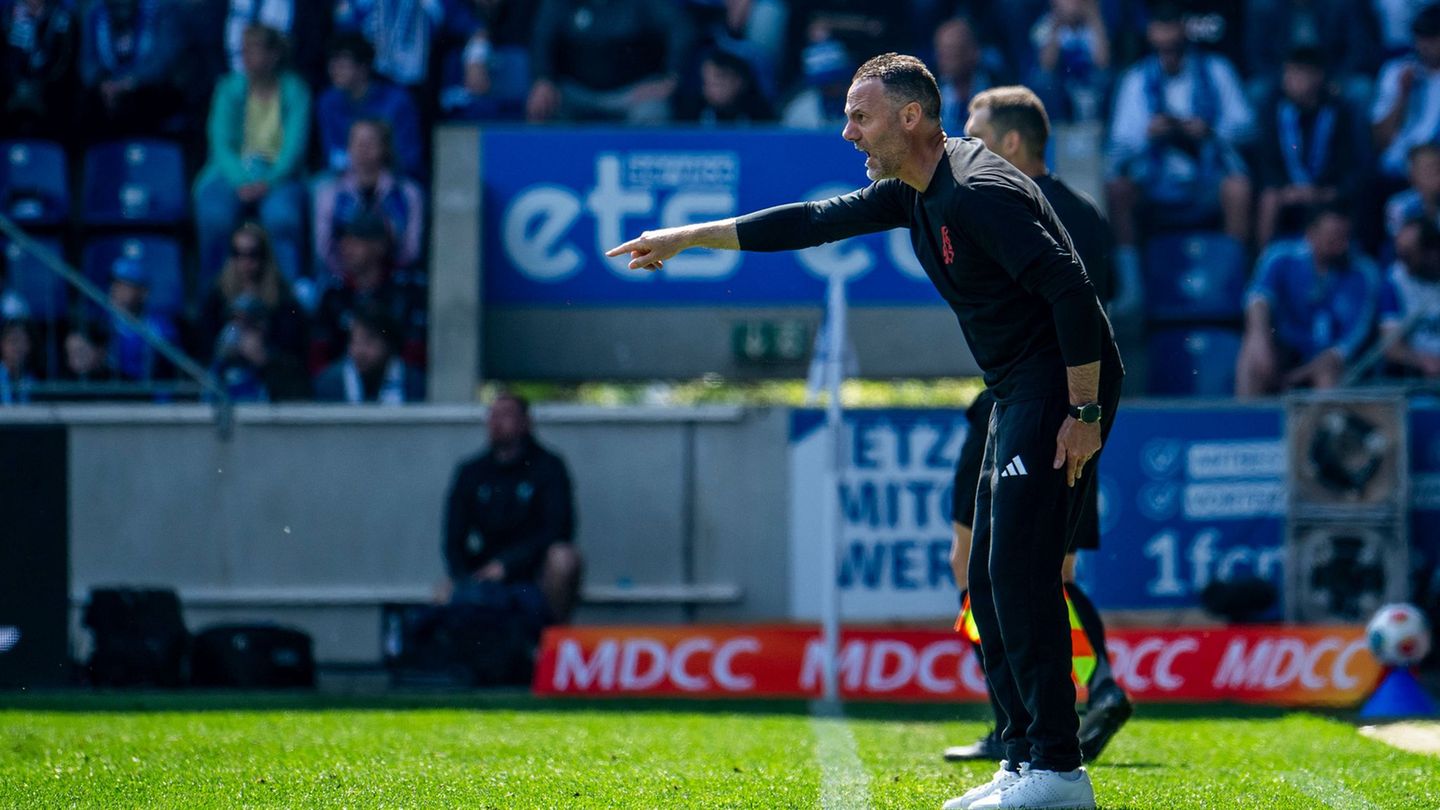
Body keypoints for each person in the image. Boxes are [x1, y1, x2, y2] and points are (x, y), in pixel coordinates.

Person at [607, 53, 1122, 810]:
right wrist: (690, 235)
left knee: (1019, 574)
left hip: (1058, 385)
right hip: (1018, 387)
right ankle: (1022, 761)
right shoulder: (916, 187)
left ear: (910, 118)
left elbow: (1074, 296)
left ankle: (1058, 770)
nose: (847, 131)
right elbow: (813, 222)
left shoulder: (977, 191)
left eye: (860, 115)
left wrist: (1083, 415)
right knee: (986, 579)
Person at [946, 85, 1129, 767]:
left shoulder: (1004, 202)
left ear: (1011, 142)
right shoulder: (1085, 217)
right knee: (1042, 568)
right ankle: (1062, 703)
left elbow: (1067, 316)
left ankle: (1028, 718)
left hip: (1034, 408)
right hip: (1065, 406)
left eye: (973, 128)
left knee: (986, 564)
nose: (960, 141)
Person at [1106, 3, 1254, 277]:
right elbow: (1119, 144)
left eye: (1173, 49)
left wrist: (1209, 130)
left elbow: (1245, 126)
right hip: (1155, 179)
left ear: (1184, 34)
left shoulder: (1217, 70)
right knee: (1118, 189)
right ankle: (1131, 285)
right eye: (1163, 50)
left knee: (1238, 187)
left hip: (1207, 179)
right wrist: (1148, 133)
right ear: (1152, 38)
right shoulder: (1135, 79)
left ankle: (1234, 279)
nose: (1169, 56)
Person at [442, 391, 583, 622]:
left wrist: (508, 565)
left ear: (525, 422)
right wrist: (464, 576)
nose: (497, 422)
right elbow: (453, 536)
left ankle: (550, 638)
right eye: (492, 415)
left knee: (564, 558)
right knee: (442, 595)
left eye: (506, 415)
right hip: (485, 565)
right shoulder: (472, 471)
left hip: (533, 566)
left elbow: (559, 528)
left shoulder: (548, 467)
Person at [193, 24, 311, 285]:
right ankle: (213, 294)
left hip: (278, 175)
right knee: (215, 217)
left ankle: (286, 297)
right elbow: (220, 143)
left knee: (282, 219)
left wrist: (267, 181)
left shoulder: (295, 90)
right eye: (244, 51)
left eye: (254, 51)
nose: (246, 58)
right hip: (232, 172)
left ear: (273, 55)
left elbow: (294, 147)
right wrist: (242, 180)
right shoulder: (228, 88)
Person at [1236, 206, 1383, 396]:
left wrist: (1295, 377)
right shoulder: (1280, 256)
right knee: (1251, 353)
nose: (1342, 245)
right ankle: (1248, 419)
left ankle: (1323, 425)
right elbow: (1258, 299)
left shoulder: (1364, 273)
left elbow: (1350, 341)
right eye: (1333, 237)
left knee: (1327, 373)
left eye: (1346, 237)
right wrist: (1258, 336)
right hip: (1286, 351)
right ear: (1311, 234)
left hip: (1330, 360)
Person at [1256, 47, 1366, 247]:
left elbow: (1353, 163)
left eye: (1297, 73)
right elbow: (1267, 160)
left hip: (1327, 190)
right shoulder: (1274, 110)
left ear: (1317, 76)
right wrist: (1286, 188)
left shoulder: (1340, 112)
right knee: (1269, 198)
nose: (1288, 80)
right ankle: (1262, 262)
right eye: (1287, 73)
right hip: (1289, 191)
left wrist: (1326, 191)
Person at [526, 0, 693, 124]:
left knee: (653, 113)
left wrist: (672, 77)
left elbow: (682, 28)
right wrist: (543, 78)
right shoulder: (559, 3)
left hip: (632, 93)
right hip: (575, 91)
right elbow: (542, 37)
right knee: (543, 109)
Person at [310, 211, 426, 371]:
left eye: (356, 240)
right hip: (344, 386)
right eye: (344, 240)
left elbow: (415, 351)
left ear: (380, 246)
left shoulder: (407, 290)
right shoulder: (334, 293)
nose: (346, 247)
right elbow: (319, 354)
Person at [312, 119, 425, 278]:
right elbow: (323, 248)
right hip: (343, 279)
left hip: (394, 277)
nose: (362, 148)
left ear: (385, 147)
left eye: (369, 141)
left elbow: (411, 248)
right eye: (356, 141)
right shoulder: (329, 193)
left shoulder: (408, 192)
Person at [315, 32, 423, 177]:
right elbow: (332, 152)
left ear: (363, 67)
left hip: (393, 175)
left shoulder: (398, 101)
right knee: (321, 184)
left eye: (342, 66)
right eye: (332, 65)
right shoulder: (328, 102)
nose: (335, 72)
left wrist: (375, 171)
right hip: (345, 176)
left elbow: (409, 157)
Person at [1373, 4, 1440, 181]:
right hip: (1398, 166)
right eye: (1421, 37)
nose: (1426, 45)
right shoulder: (1395, 72)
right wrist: (1402, 96)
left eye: (1433, 38)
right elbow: (1380, 140)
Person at [313, 304, 422, 403]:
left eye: (368, 341)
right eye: (354, 341)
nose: (358, 351)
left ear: (389, 344)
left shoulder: (413, 383)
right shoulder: (329, 383)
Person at [1, 0, 78, 140]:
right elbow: (7, 60)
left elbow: (64, 62)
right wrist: (16, 84)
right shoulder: (8, 16)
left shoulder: (62, 18)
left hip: (49, 90)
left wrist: (40, 85)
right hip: (14, 89)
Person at [1026, 0, 1111, 123]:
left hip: (1087, 82)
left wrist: (1094, 17)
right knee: (1042, 81)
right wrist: (1057, 23)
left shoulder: (1094, 24)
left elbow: (1103, 62)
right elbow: (1046, 65)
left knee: (1104, 77)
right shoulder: (1045, 25)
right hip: (1060, 85)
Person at [1379, 216, 1440, 378]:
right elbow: (1391, 347)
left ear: (1432, 254)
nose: (1402, 260)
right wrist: (1423, 361)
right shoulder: (1395, 280)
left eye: (1408, 254)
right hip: (1417, 377)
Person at [106, 256, 179, 381]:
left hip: (148, 395)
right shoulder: (99, 323)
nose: (116, 290)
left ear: (143, 292)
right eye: (115, 283)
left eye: (125, 285)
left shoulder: (159, 326)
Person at [674, 48, 776, 126]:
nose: (708, 90)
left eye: (716, 84)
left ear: (738, 82)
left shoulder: (760, 113)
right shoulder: (692, 111)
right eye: (706, 83)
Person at [1386, 144, 1440, 241]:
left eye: (1438, 167)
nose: (1436, 173)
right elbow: (1401, 246)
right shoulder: (1399, 206)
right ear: (1412, 175)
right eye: (1429, 168)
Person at [0, 317, 35, 405]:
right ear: (2, 344)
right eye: (13, 341)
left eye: (22, 341)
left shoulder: (35, 381)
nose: (17, 347)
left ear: (29, 346)